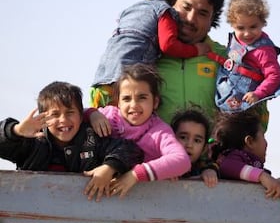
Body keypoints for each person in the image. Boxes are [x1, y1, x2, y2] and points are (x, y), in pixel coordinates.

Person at [90, 0, 211, 108]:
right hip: (126, 86)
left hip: (101, 82)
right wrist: (196, 50)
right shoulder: (163, 11)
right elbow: (168, 45)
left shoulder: (130, 9)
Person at [0, 81, 143, 202]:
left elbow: (132, 150)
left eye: (70, 113)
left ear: (81, 117)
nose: (63, 120)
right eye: (55, 114)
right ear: (43, 119)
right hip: (34, 212)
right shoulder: (34, 142)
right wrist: (16, 131)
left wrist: (109, 168)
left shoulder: (92, 139)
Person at [86, 63, 191, 198]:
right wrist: (92, 114)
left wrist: (136, 174)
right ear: (118, 103)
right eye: (126, 99)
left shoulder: (159, 131)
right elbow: (70, 117)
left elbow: (182, 161)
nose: (134, 105)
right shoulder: (107, 116)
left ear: (155, 102)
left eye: (142, 97)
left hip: (143, 204)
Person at [155, 0, 236, 125]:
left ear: (213, 19)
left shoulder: (228, 60)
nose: (191, 18)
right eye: (186, 7)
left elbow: (253, 116)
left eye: (202, 13)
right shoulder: (146, 51)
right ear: (171, 3)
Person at [214, 0, 280, 112]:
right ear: (232, 24)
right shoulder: (234, 41)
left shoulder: (264, 50)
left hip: (246, 104)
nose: (247, 33)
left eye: (253, 27)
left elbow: (274, 75)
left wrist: (258, 93)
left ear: (263, 22)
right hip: (224, 96)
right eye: (240, 28)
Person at [210, 110, 280, 199]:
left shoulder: (254, 166)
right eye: (263, 136)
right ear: (250, 142)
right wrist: (261, 176)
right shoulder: (235, 157)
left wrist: (279, 182)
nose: (266, 143)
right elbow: (227, 167)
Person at [170, 105, 219, 188]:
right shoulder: (160, 163)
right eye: (183, 137)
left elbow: (214, 167)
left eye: (197, 140)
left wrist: (210, 172)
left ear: (204, 148)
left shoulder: (203, 167)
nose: (189, 145)